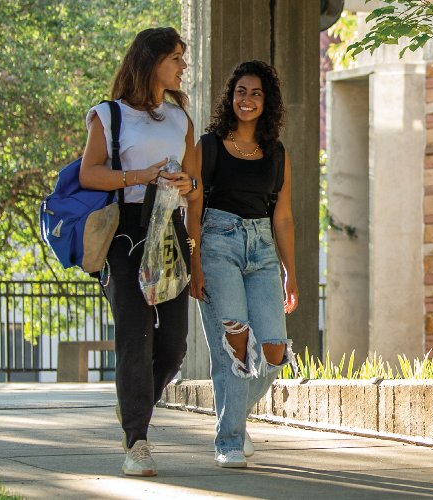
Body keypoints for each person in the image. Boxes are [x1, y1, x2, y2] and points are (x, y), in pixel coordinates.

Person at [77, 26, 200, 477]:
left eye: (183, 58)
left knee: (173, 344)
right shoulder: (108, 115)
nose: (182, 66)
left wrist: (187, 184)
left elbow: (194, 181)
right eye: (175, 57)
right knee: (135, 337)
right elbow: (90, 175)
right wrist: (141, 176)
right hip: (127, 232)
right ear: (150, 61)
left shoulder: (181, 119)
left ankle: (135, 403)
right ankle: (138, 441)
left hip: (169, 228)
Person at [189, 60, 297, 468]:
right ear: (230, 97)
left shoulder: (277, 153)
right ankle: (229, 440)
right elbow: (193, 208)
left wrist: (291, 272)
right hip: (217, 243)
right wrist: (194, 263)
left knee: (273, 352)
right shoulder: (210, 146)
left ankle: (232, 418)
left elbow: (283, 217)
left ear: (266, 102)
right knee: (234, 347)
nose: (246, 100)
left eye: (255, 93)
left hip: (264, 250)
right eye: (240, 92)